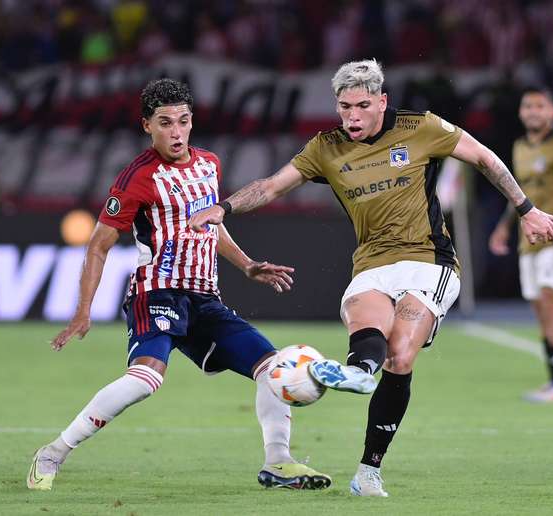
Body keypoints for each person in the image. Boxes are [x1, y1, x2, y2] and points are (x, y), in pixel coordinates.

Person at [189, 59, 553, 497]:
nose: (353, 117)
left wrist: (526, 209)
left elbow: (483, 157)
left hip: (429, 263)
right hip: (371, 265)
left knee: (400, 357)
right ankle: (358, 373)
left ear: (382, 101)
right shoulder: (326, 147)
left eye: (363, 105)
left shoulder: (421, 127)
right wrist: (224, 208)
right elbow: (271, 186)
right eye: (344, 107)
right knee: (367, 329)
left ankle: (368, 471)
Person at [26, 79, 331, 492]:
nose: (176, 132)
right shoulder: (137, 178)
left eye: (183, 121)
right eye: (165, 123)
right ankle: (54, 452)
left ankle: (278, 463)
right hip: (157, 292)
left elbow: (211, 227)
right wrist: (83, 310)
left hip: (205, 298)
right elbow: (98, 245)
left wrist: (246, 265)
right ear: (146, 126)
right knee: (145, 379)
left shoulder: (209, 164)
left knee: (273, 369)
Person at [488, 87, 553, 403]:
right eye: (528, 106)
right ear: (521, 113)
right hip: (528, 242)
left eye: (540, 106)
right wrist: (504, 227)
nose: (533, 111)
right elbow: (519, 195)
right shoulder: (520, 146)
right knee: (539, 308)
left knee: (552, 303)